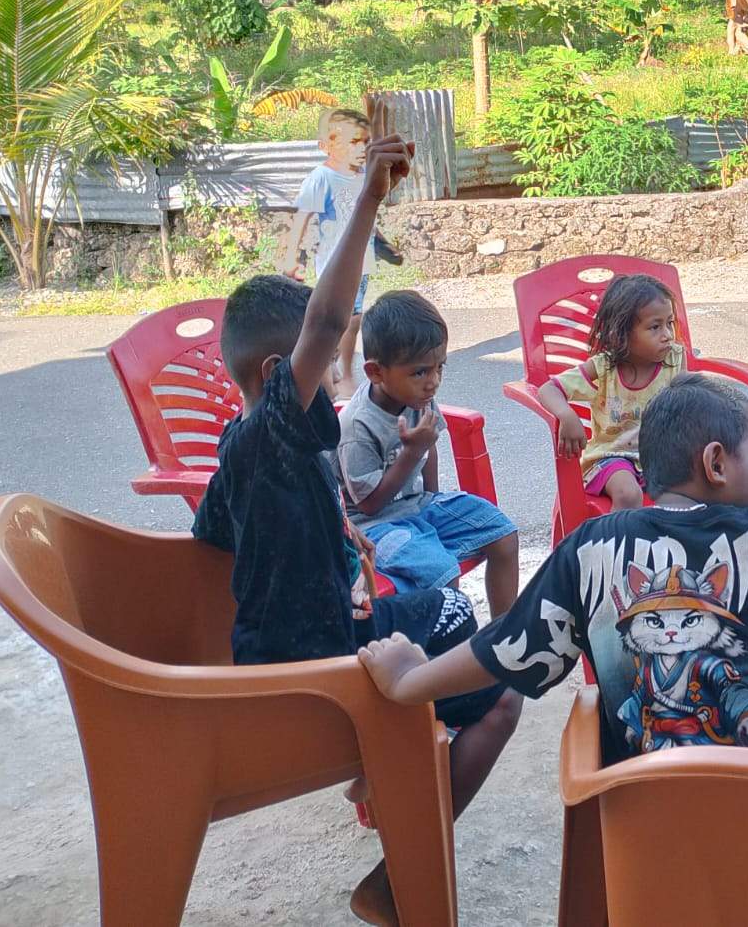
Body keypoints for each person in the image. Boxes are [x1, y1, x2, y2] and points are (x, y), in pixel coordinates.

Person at [193, 109, 519, 926]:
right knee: (500, 684)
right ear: (279, 374)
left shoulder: (247, 454)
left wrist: (343, 549)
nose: (332, 373)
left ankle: (386, 771)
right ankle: (390, 879)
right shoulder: (270, 433)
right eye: (319, 367)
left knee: (434, 615)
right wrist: (368, 192)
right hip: (314, 670)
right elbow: (330, 320)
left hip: (318, 636)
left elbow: (215, 547)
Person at [357, 374, 748, 764]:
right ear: (716, 463)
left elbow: (505, 648)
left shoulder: (589, 547)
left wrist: (409, 682)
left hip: (640, 812)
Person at [335, 289, 522, 616]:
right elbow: (368, 503)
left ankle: (503, 641)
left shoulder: (417, 397)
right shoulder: (357, 425)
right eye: (421, 371)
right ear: (376, 372)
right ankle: (452, 656)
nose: (433, 382)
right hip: (375, 526)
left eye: (440, 368)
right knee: (442, 572)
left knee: (504, 536)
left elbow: (429, 449)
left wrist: (433, 500)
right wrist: (411, 452)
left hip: (418, 506)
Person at [536, 273, 685, 511]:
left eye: (670, 323)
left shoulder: (675, 358)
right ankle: (615, 546)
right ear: (621, 334)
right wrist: (567, 415)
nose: (667, 334)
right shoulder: (605, 367)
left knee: (706, 481)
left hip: (660, 456)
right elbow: (549, 389)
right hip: (612, 458)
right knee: (628, 494)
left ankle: (670, 545)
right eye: (655, 327)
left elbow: (691, 393)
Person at [282, 106, 375, 395]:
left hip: (363, 260)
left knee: (351, 318)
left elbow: (365, 216)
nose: (361, 149)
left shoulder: (363, 177)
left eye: (365, 142)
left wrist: (382, 245)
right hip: (335, 263)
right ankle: (339, 373)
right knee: (341, 317)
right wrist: (290, 257)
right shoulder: (322, 177)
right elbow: (303, 216)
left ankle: (338, 368)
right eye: (353, 142)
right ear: (326, 146)